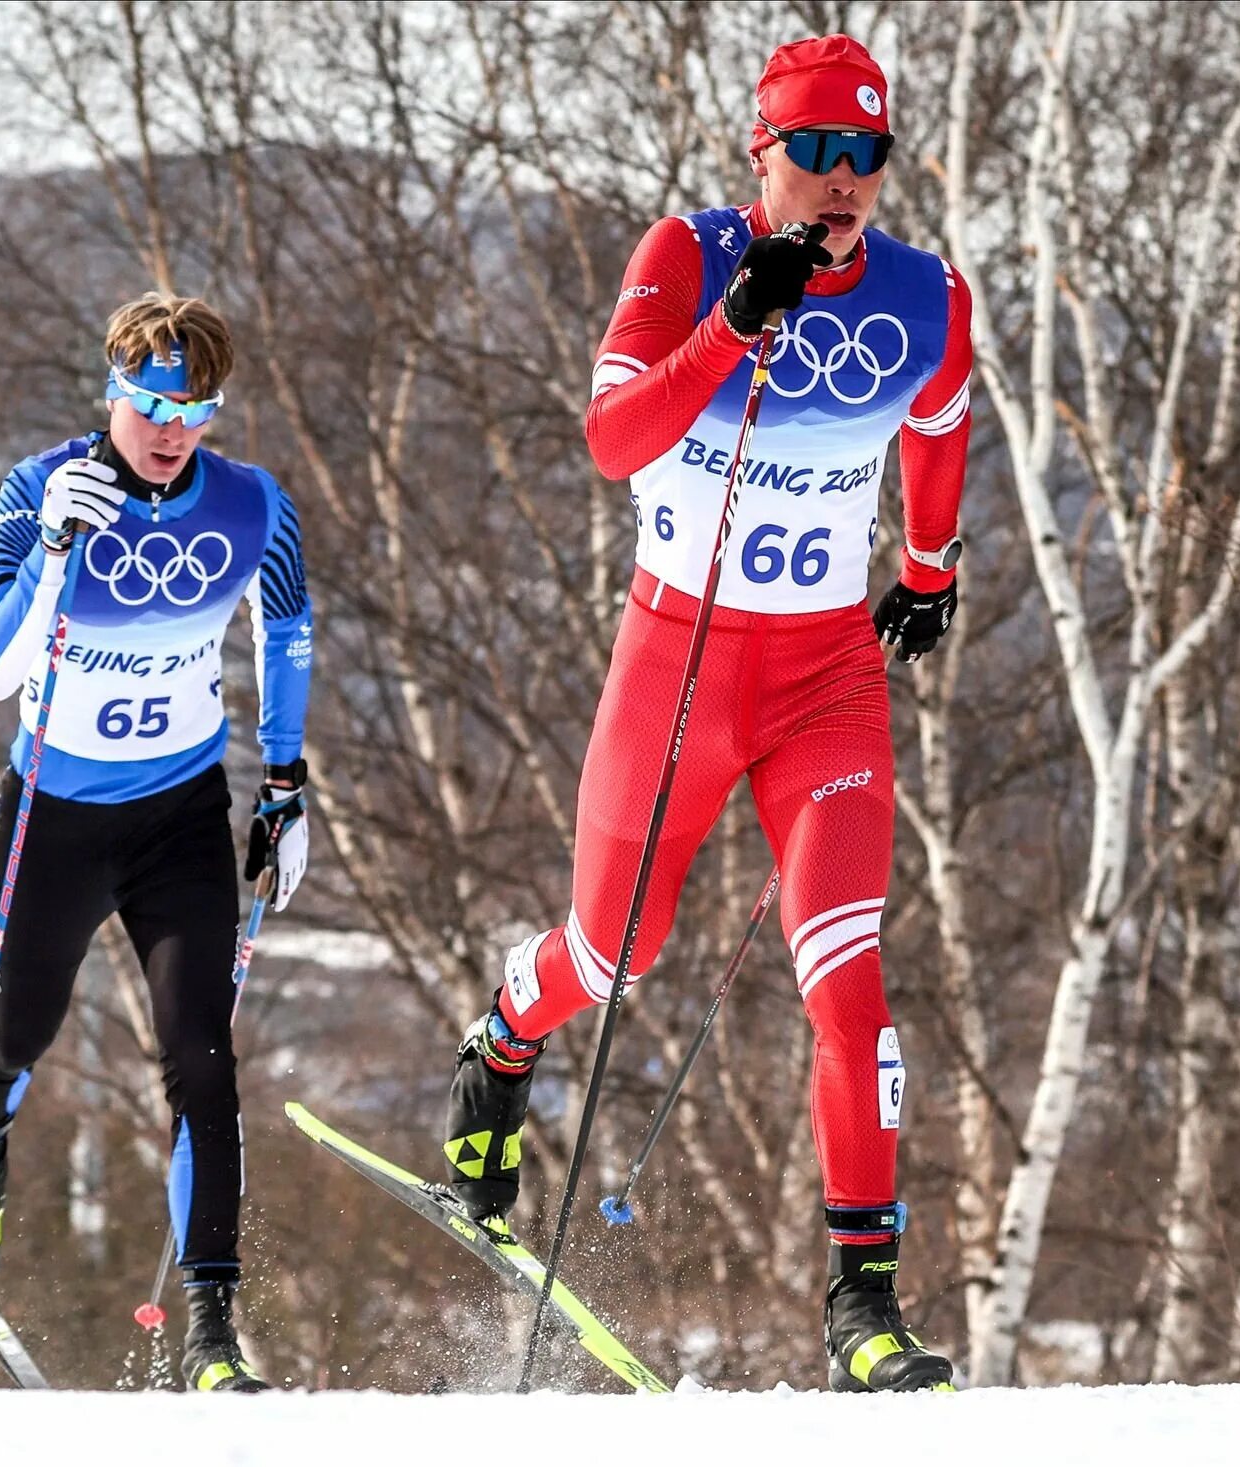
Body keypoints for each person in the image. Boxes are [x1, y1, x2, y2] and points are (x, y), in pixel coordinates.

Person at [439, 34, 971, 1393]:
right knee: (616, 952)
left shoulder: (927, 292)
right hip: (676, 664)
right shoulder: (684, 252)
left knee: (847, 976)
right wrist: (736, 321)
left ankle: (865, 1303)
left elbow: (942, 414)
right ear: (766, 155)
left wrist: (930, 563)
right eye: (817, 153)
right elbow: (614, 440)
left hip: (826, 682)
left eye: (868, 156)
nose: (843, 180)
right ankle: (506, 1028)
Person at [0, 291, 313, 1393]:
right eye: (150, 404)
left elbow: (286, 628)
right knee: (21, 1030)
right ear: (113, 393)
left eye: (193, 407)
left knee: (201, 1056)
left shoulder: (252, 504)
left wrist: (284, 780)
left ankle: (210, 1326)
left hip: (179, 818)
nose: (169, 430)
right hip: (53, 819)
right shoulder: (38, 488)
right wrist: (55, 553)